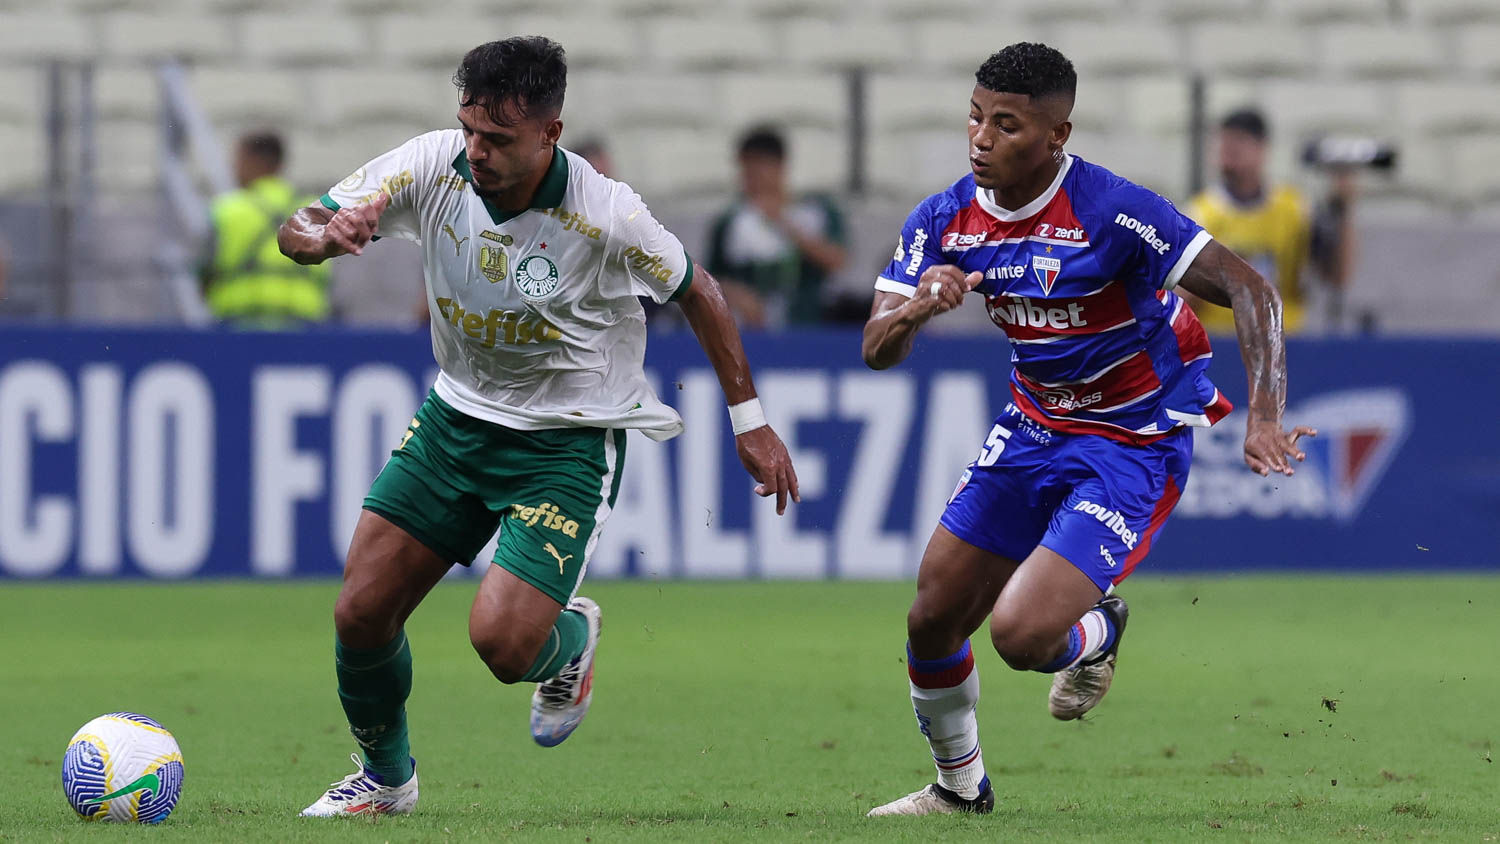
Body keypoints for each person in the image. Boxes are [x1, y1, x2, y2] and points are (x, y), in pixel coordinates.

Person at [277, 37, 799, 817]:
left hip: (566, 441)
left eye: (497, 139)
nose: (475, 152)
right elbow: (303, 220)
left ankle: (571, 642)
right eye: (469, 131)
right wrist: (320, 238)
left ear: (550, 132)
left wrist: (749, 422)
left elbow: (702, 292)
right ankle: (386, 781)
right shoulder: (431, 162)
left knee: (502, 646)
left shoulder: (607, 213)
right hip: (457, 417)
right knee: (360, 610)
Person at [861, 43, 1315, 817]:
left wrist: (1263, 412)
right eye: (975, 118)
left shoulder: (1113, 210)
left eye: (1006, 125)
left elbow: (1252, 290)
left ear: (1056, 136)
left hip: (1129, 443)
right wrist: (916, 309)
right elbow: (877, 350)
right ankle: (959, 789)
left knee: (1020, 638)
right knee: (931, 614)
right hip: (1033, 424)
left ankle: (1096, 630)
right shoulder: (943, 219)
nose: (980, 139)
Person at [1184, 108, 1354, 335]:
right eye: (1223, 144)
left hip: (1284, 339)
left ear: (1262, 148)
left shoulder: (1295, 209)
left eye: (1239, 142)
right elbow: (1178, 297)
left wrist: (1343, 210)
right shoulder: (1201, 213)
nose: (1228, 152)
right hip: (1219, 340)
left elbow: (1337, 276)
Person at [705, 126, 847, 328]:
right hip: (748, 331)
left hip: (808, 327)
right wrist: (735, 295)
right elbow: (709, 279)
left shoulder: (817, 212)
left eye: (758, 170)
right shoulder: (730, 221)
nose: (751, 180)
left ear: (780, 166)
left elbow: (837, 260)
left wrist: (782, 223)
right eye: (746, 171)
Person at [202, 132, 331, 328]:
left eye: (238, 160)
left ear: (252, 161)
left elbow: (204, 272)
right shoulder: (316, 209)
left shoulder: (226, 209)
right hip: (304, 326)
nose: (234, 169)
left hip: (239, 326)